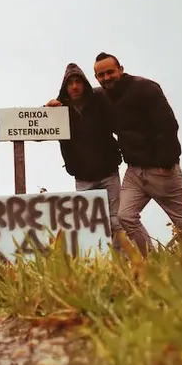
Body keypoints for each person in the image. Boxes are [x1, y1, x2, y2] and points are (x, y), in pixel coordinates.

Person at [47, 53, 182, 256]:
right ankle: (151, 260)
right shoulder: (102, 95)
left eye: (110, 72)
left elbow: (168, 126)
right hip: (135, 172)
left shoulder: (145, 88)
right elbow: (74, 100)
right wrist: (54, 105)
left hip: (163, 171)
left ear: (120, 69)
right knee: (125, 217)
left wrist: (166, 162)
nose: (106, 77)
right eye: (101, 75)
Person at [55, 62, 123, 240]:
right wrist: (46, 111)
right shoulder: (59, 110)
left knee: (117, 221)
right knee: (89, 225)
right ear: (65, 87)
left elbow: (121, 125)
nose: (75, 86)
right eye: (70, 83)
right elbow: (38, 132)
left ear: (85, 83)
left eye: (78, 81)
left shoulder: (101, 101)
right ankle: (100, 264)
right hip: (82, 177)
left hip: (109, 173)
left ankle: (123, 261)